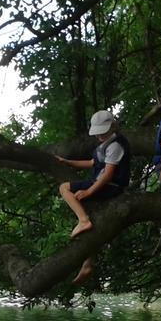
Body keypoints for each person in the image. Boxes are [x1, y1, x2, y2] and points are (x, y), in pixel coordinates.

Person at [55, 109, 131, 284]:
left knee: (64, 187)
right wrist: (68, 162)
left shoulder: (116, 145)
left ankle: (83, 220)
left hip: (110, 186)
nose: (99, 136)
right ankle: (88, 263)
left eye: (102, 132)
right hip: (104, 184)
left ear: (112, 127)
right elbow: (91, 163)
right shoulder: (104, 145)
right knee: (93, 219)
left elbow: (107, 175)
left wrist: (89, 191)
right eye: (98, 133)